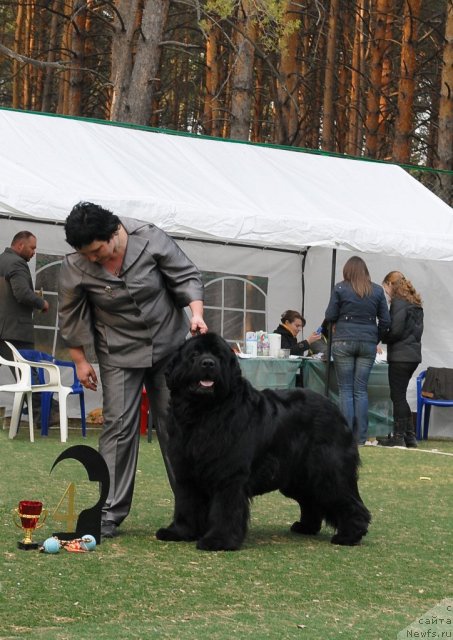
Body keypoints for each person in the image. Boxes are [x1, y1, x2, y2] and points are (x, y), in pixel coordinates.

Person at [58, 202, 208, 540]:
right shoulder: (76, 264)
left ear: (113, 233)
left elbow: (186, 276)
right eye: (87, 255)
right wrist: (81, 361)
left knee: (176, 426)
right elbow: (70, 315)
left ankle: (193, 511)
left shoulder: (149, 238)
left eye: (97, 251)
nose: (93, 259)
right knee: (118, 428)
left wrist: (195, 314)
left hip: (169, 346)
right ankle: (108, 511)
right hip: (118, 353)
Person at [324, 256, 390, 445]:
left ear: (347, 271)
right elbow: (386, 322)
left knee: (346, 389)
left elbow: (330, 315)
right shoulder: (377, 290)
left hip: (343, 341)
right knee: (360, 390)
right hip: (367, 343)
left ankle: (346, 438)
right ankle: (361, 437)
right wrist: (373, 338)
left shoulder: (340, 288)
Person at [379, 271, 423, 447]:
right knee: (401, 396)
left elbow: (395, 331)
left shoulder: (398, 303)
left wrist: (383, 337)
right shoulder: (416, 304)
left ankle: (398, 437)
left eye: (386, 288)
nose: (386, 293)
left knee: (397, 396)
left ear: (391, 284)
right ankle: (410, 437)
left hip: (400, 356)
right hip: (413, 356)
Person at [0, 231, 49, 367]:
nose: (34, 252)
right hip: (15, 333)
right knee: (29, 378)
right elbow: (22, 293)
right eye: (32, 248)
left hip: (4, 331)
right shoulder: (17, 263)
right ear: (20, 245)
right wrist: (41, 303)